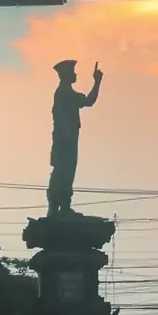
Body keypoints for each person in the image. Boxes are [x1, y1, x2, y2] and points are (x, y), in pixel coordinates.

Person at [47, 59, 104, 217]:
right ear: (66, 75)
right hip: (66, 141)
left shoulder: (64, 93)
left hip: (65, 140)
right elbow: (89, 101)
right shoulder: (66, 93)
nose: (75, 74)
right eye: (73, 72)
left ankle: (57, 206)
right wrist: (97, 81)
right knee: (65, 172)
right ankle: (61, 206)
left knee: (62, 172)